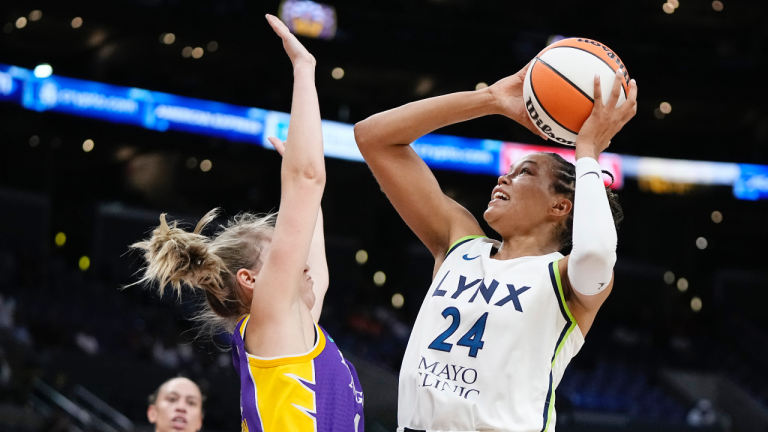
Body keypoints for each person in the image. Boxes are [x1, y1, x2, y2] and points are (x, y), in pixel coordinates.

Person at [354, 64, 637, 432]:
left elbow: (597, 251)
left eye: (526, 172)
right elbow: (373, 137)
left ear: (560, 206)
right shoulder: (459, 243)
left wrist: (587, 152)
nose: (504, 177)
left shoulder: (566, 278)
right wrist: (490, 100)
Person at [131, 15, 364, 432]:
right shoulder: (272, 321)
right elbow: (307, 181)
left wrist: (303, 177)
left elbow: (313, 230)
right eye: (284, 259)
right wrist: (304, 69)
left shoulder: (295, 327)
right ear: (252, 280)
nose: (303, 263)